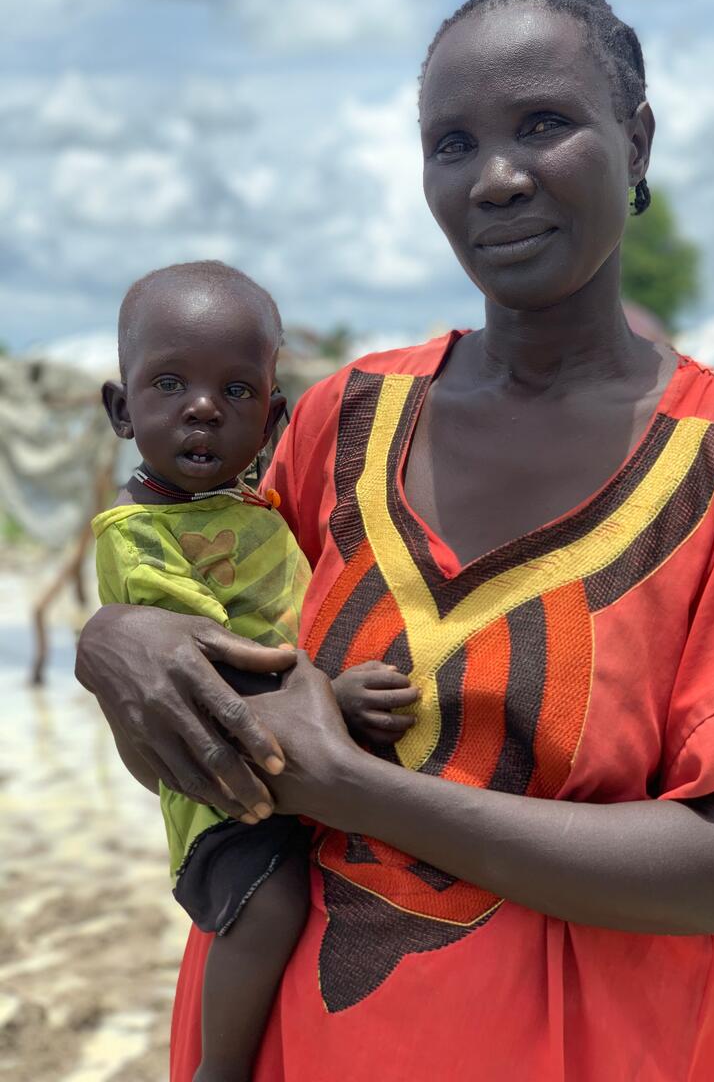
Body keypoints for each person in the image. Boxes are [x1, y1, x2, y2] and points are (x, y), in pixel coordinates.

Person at [77, 0, 714, 1082]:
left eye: (545, 124)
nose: (498, 176)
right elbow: (200, 703)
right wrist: (114, 643)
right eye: (452, 142)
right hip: (296, 1048)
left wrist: (349, 785)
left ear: (637, 139)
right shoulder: (343, 420)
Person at [93, 260, 418, 1082]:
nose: (204, 408)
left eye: (237, 393)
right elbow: (210, 673)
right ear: (122, 410)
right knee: (266, 907)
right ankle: (221, 1067)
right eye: (170, 384)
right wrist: (333, 698)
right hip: (224, 781)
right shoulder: (140, 537)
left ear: (272, 421)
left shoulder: (250, 507)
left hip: (294, 769)